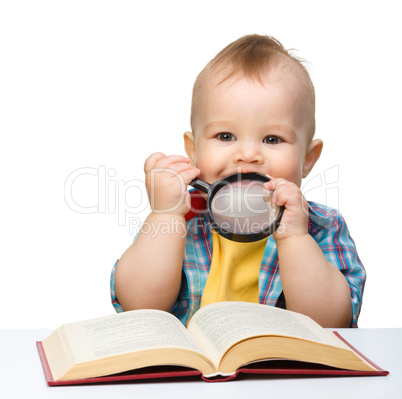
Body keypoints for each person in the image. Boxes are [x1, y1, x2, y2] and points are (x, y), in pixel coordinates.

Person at [111, 34, 365, 328]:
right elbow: (138, 305)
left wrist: (295, 238)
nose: (247, 154)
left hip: (285, 372)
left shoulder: (321, 226)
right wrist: (164, 213)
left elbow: (331, 322)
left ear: (307, 159)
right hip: (192, 372)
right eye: (225, 136)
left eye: (272, 139)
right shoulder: (180, 219)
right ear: (193, 152)